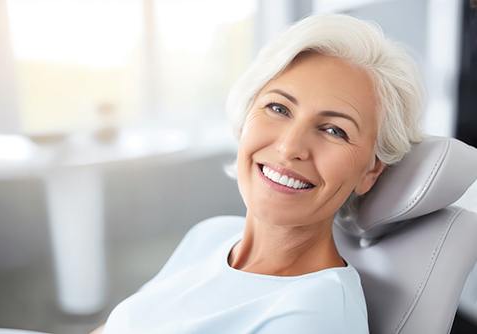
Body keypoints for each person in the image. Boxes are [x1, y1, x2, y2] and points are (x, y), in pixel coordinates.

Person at [92, 13, 423, 334]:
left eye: (334, 130)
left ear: (371, 171)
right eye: (279, 108)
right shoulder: (211, 235)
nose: (290, 147)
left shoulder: (314, 316)